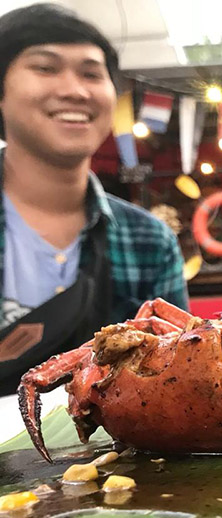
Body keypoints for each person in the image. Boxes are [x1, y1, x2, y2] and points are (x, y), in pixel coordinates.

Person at [0, 3, 188, 392]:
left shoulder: (150, 242)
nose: (74, 90)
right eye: (45, 68)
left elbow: (180, 374)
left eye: (91, 73)